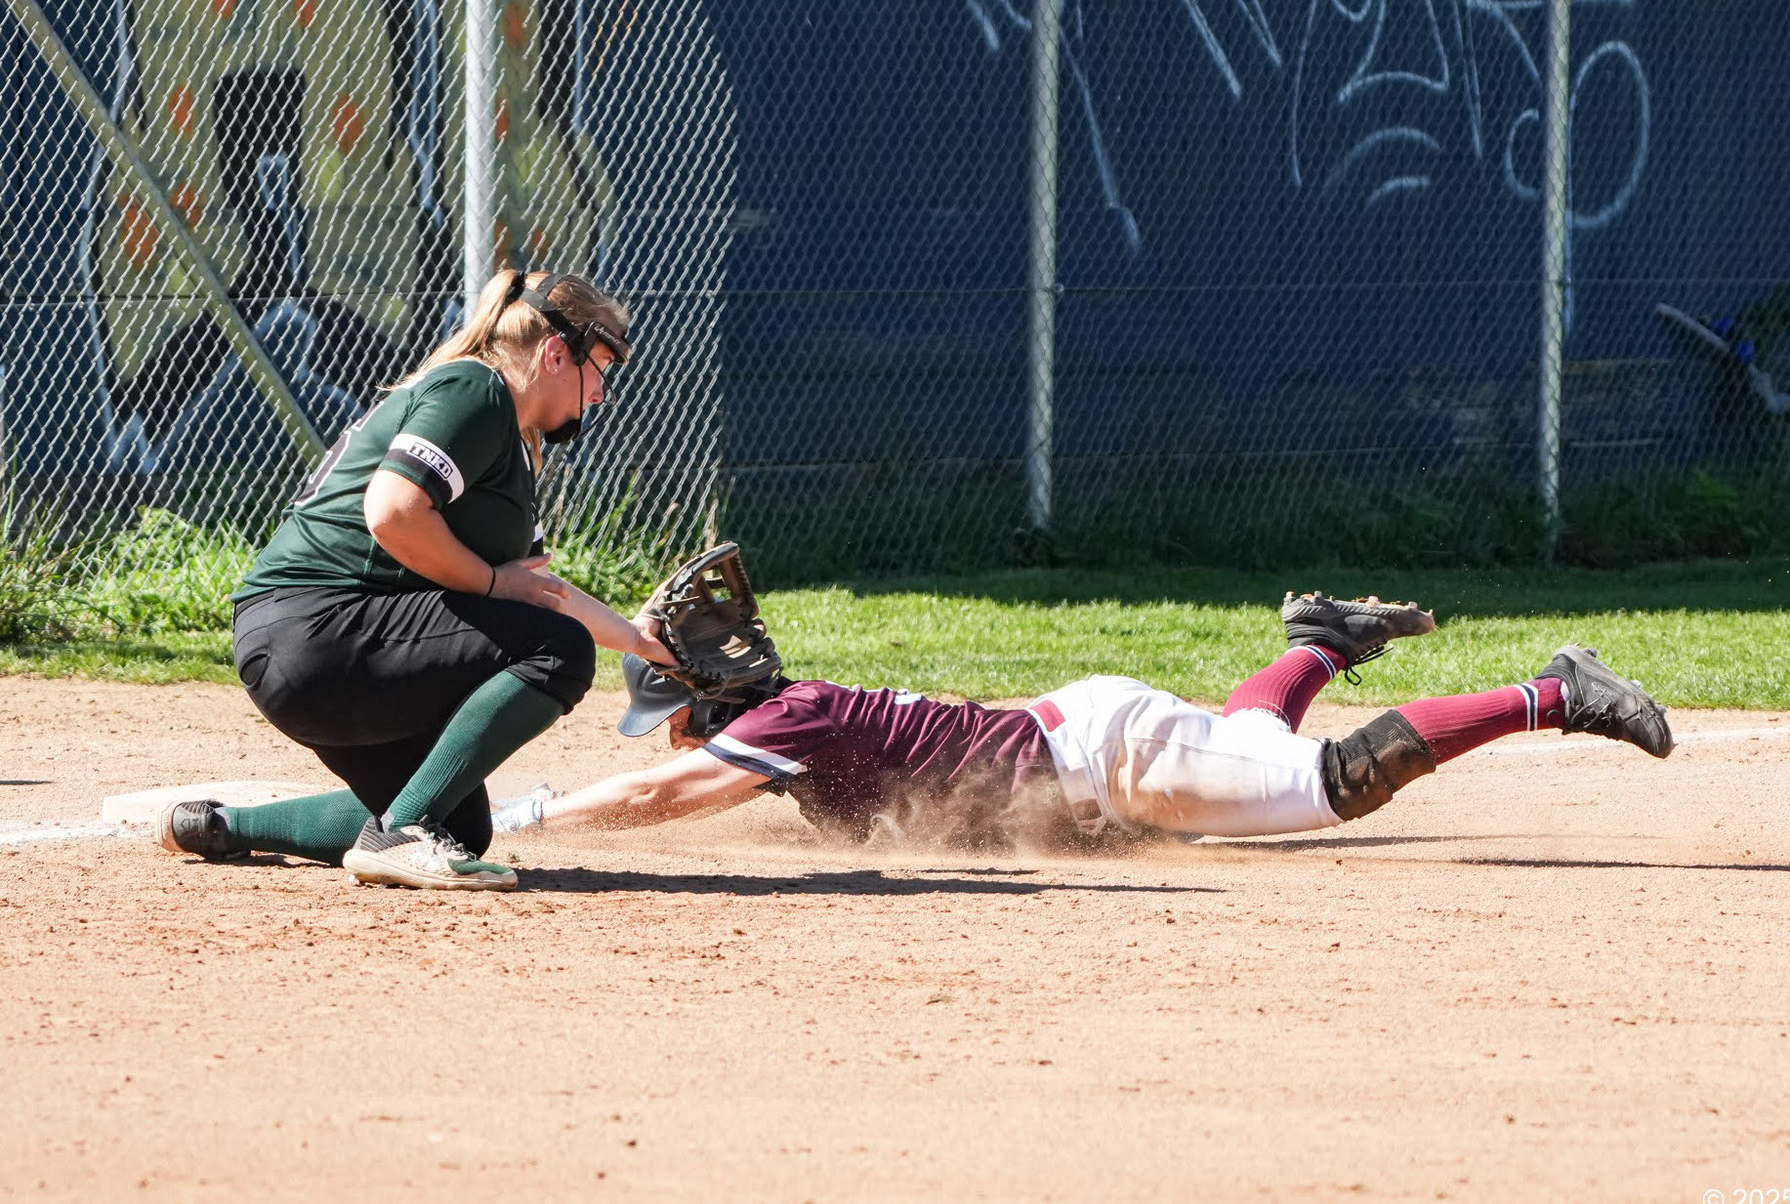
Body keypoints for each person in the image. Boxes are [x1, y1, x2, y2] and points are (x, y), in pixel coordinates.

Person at [154, 269, 679, 890]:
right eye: (601, 365)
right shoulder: (476, 389)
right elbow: (393, 512)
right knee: (556, 650)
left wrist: (645, 642)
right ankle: (401, 834)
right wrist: (488, 583)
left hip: (311, 647)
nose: (601, 394)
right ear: (554, 351)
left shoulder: (506, 432)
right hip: (319, 628)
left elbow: (541, 590)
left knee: (458, 825)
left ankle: (221, 827)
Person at [491, 594, 1673, 850]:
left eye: (676, 714)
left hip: (1111, 752)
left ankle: (1553, 691)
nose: (673, 738)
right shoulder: (794, 730)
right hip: (1097, 742)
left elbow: (653, 799)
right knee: (1247, 758)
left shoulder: (788, 725)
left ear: (711, 703)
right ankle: (1320, 639)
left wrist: (533, 814)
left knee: (1328, 783)